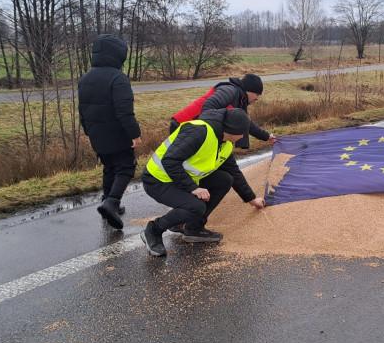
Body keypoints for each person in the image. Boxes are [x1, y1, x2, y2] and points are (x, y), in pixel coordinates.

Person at [140, 108, 266, 256]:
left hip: (179, 178)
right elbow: (170, 160)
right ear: (233, 130)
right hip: (157, 179)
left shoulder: (225, 143)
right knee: (196, 207)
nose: (244, 136)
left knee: (225, 179)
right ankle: (153, 230)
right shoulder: (199, 131)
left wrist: (251, 199)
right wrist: (193, 188)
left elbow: (234, 172)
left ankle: (194, 228)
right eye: (243, 132)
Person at [78, 34, 141, 230]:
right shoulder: (118, 78)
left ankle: (108, 200)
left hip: (96, 132)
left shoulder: (85, 78)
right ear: (118, 56)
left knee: (109, 167)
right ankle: (112, 202)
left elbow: (82, 108)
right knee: (126, 167)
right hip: (117, 132)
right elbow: (124, 110)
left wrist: (88, 130)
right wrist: (134, 133)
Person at [170, 73, 276, 149]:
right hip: (182, 125)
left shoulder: (240, 100)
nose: (257, 98)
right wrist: (216, 134)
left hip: (194, 129)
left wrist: (266, 136)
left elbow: (245, 123)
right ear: (249, 90)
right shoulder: (230, 90)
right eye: (257, 94)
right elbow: (208, 107)